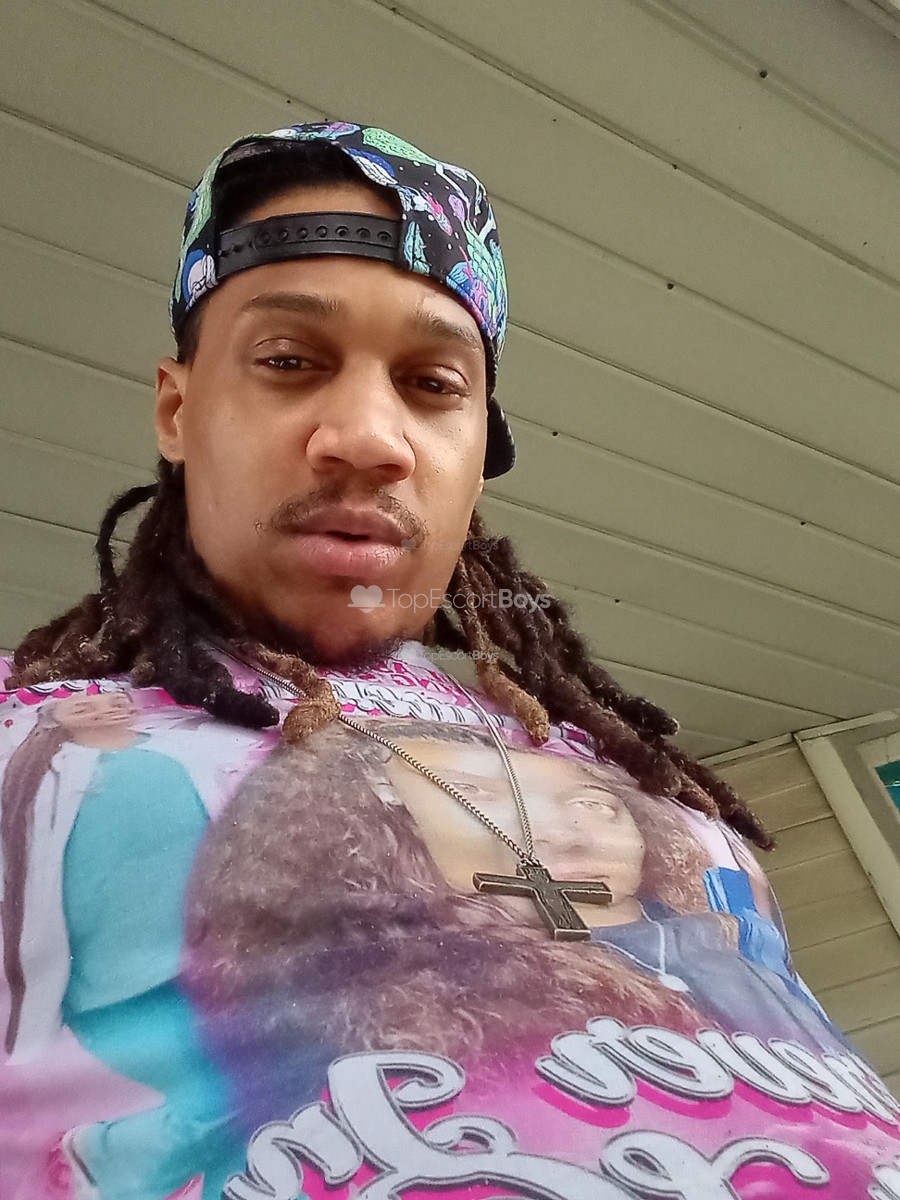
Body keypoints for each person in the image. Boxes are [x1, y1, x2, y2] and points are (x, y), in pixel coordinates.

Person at [1, 122, 898, 1200]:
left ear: (478, 453)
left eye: (432, 383)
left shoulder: (621, 773)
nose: (369, 437)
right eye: (288, 362)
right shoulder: (38, 744)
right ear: (178, 409)